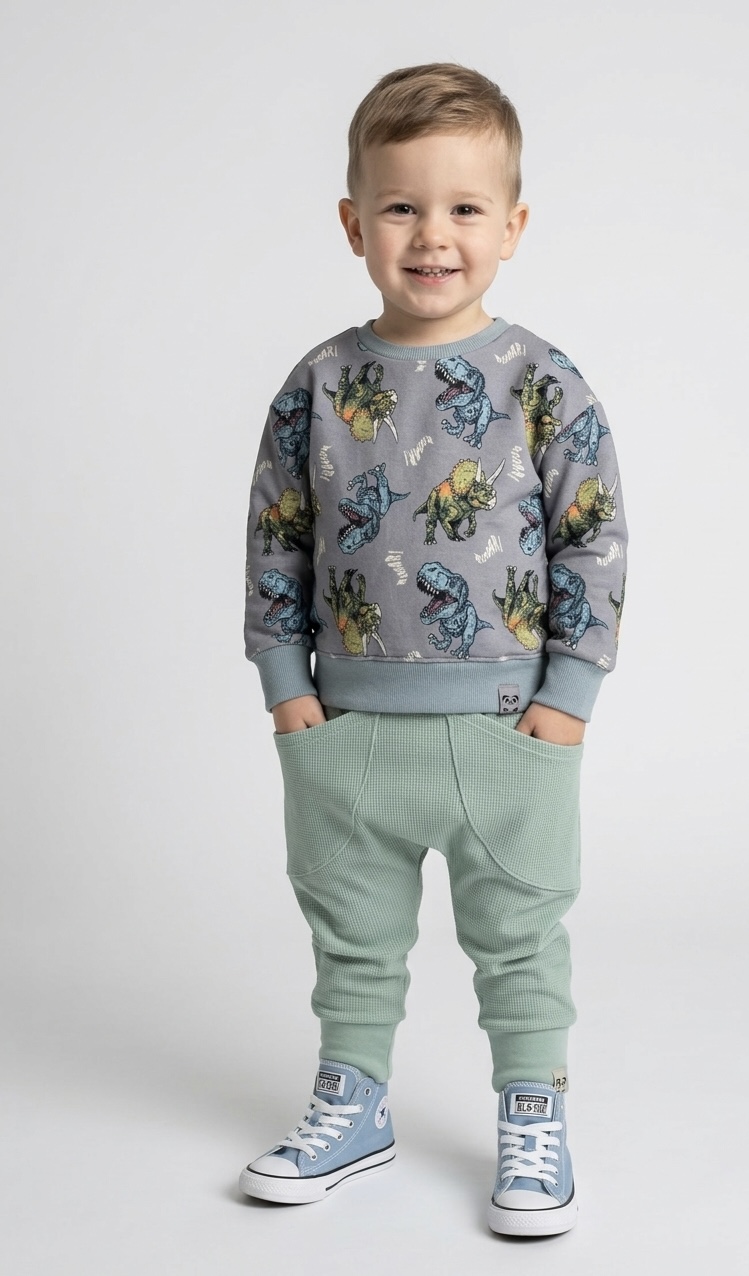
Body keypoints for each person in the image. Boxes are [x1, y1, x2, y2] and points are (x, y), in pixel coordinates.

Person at [239, 62, 627, 1237]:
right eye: (400, 206)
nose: (431, 235)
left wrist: (566, 698)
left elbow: (593, 537)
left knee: (518, 936)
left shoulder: (543, 382)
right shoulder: (318, 383)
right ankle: (351, 1100)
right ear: (352, 221)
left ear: (511, 225)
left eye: (463, 207)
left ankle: (532, 1107)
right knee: (349, 934)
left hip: (508, 726)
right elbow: (276, 537)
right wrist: (288, 694)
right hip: (346, 728)